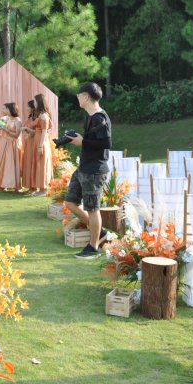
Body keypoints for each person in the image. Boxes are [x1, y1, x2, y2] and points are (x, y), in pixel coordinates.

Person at [64, 82, 112, 258]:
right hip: (84, 167)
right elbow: (91, 140)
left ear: (85, 96)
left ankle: (93, 247)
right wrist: (77, 139)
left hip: (94, 170)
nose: (77, 98)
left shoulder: (100, 117)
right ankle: (99, 232)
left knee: (92, 209)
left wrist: (83, 141)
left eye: (79, 95)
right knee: (70, 202)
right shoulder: (90, 116)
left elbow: (106, 143)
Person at [0, 102, 21, 191]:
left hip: (12, 144)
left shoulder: (17, 121)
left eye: (5, 108)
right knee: (2, 163)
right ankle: (2, 185)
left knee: (11, 163)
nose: (4, 110)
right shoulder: (4, 118)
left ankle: (15, 185)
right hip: (3, 143)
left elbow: (16, 135)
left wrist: (6, 130)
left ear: (11, 109)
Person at [30, 93, 53, 197]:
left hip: (41, 141)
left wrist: (40, 146)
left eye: (35, 101)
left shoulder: (44, 116)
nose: (34, 103)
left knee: (42, 164)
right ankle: (39, 188)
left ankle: (43, 189)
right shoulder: (40, 115)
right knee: (38, 164)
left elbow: (44, 132)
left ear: (39, 102)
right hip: (37, 139)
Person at [21, 100, 37, 193]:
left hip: (34, 141)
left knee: (33, 162)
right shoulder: (30, 117)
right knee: (28, 162)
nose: (26, 108)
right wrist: (26, 134)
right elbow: (23, 128)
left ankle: (34, 186)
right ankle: (30, 186)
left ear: (32, 108)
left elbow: (37, 131)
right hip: (29, 141)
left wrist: (27, 131)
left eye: (28, 106)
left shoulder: (37, 118)